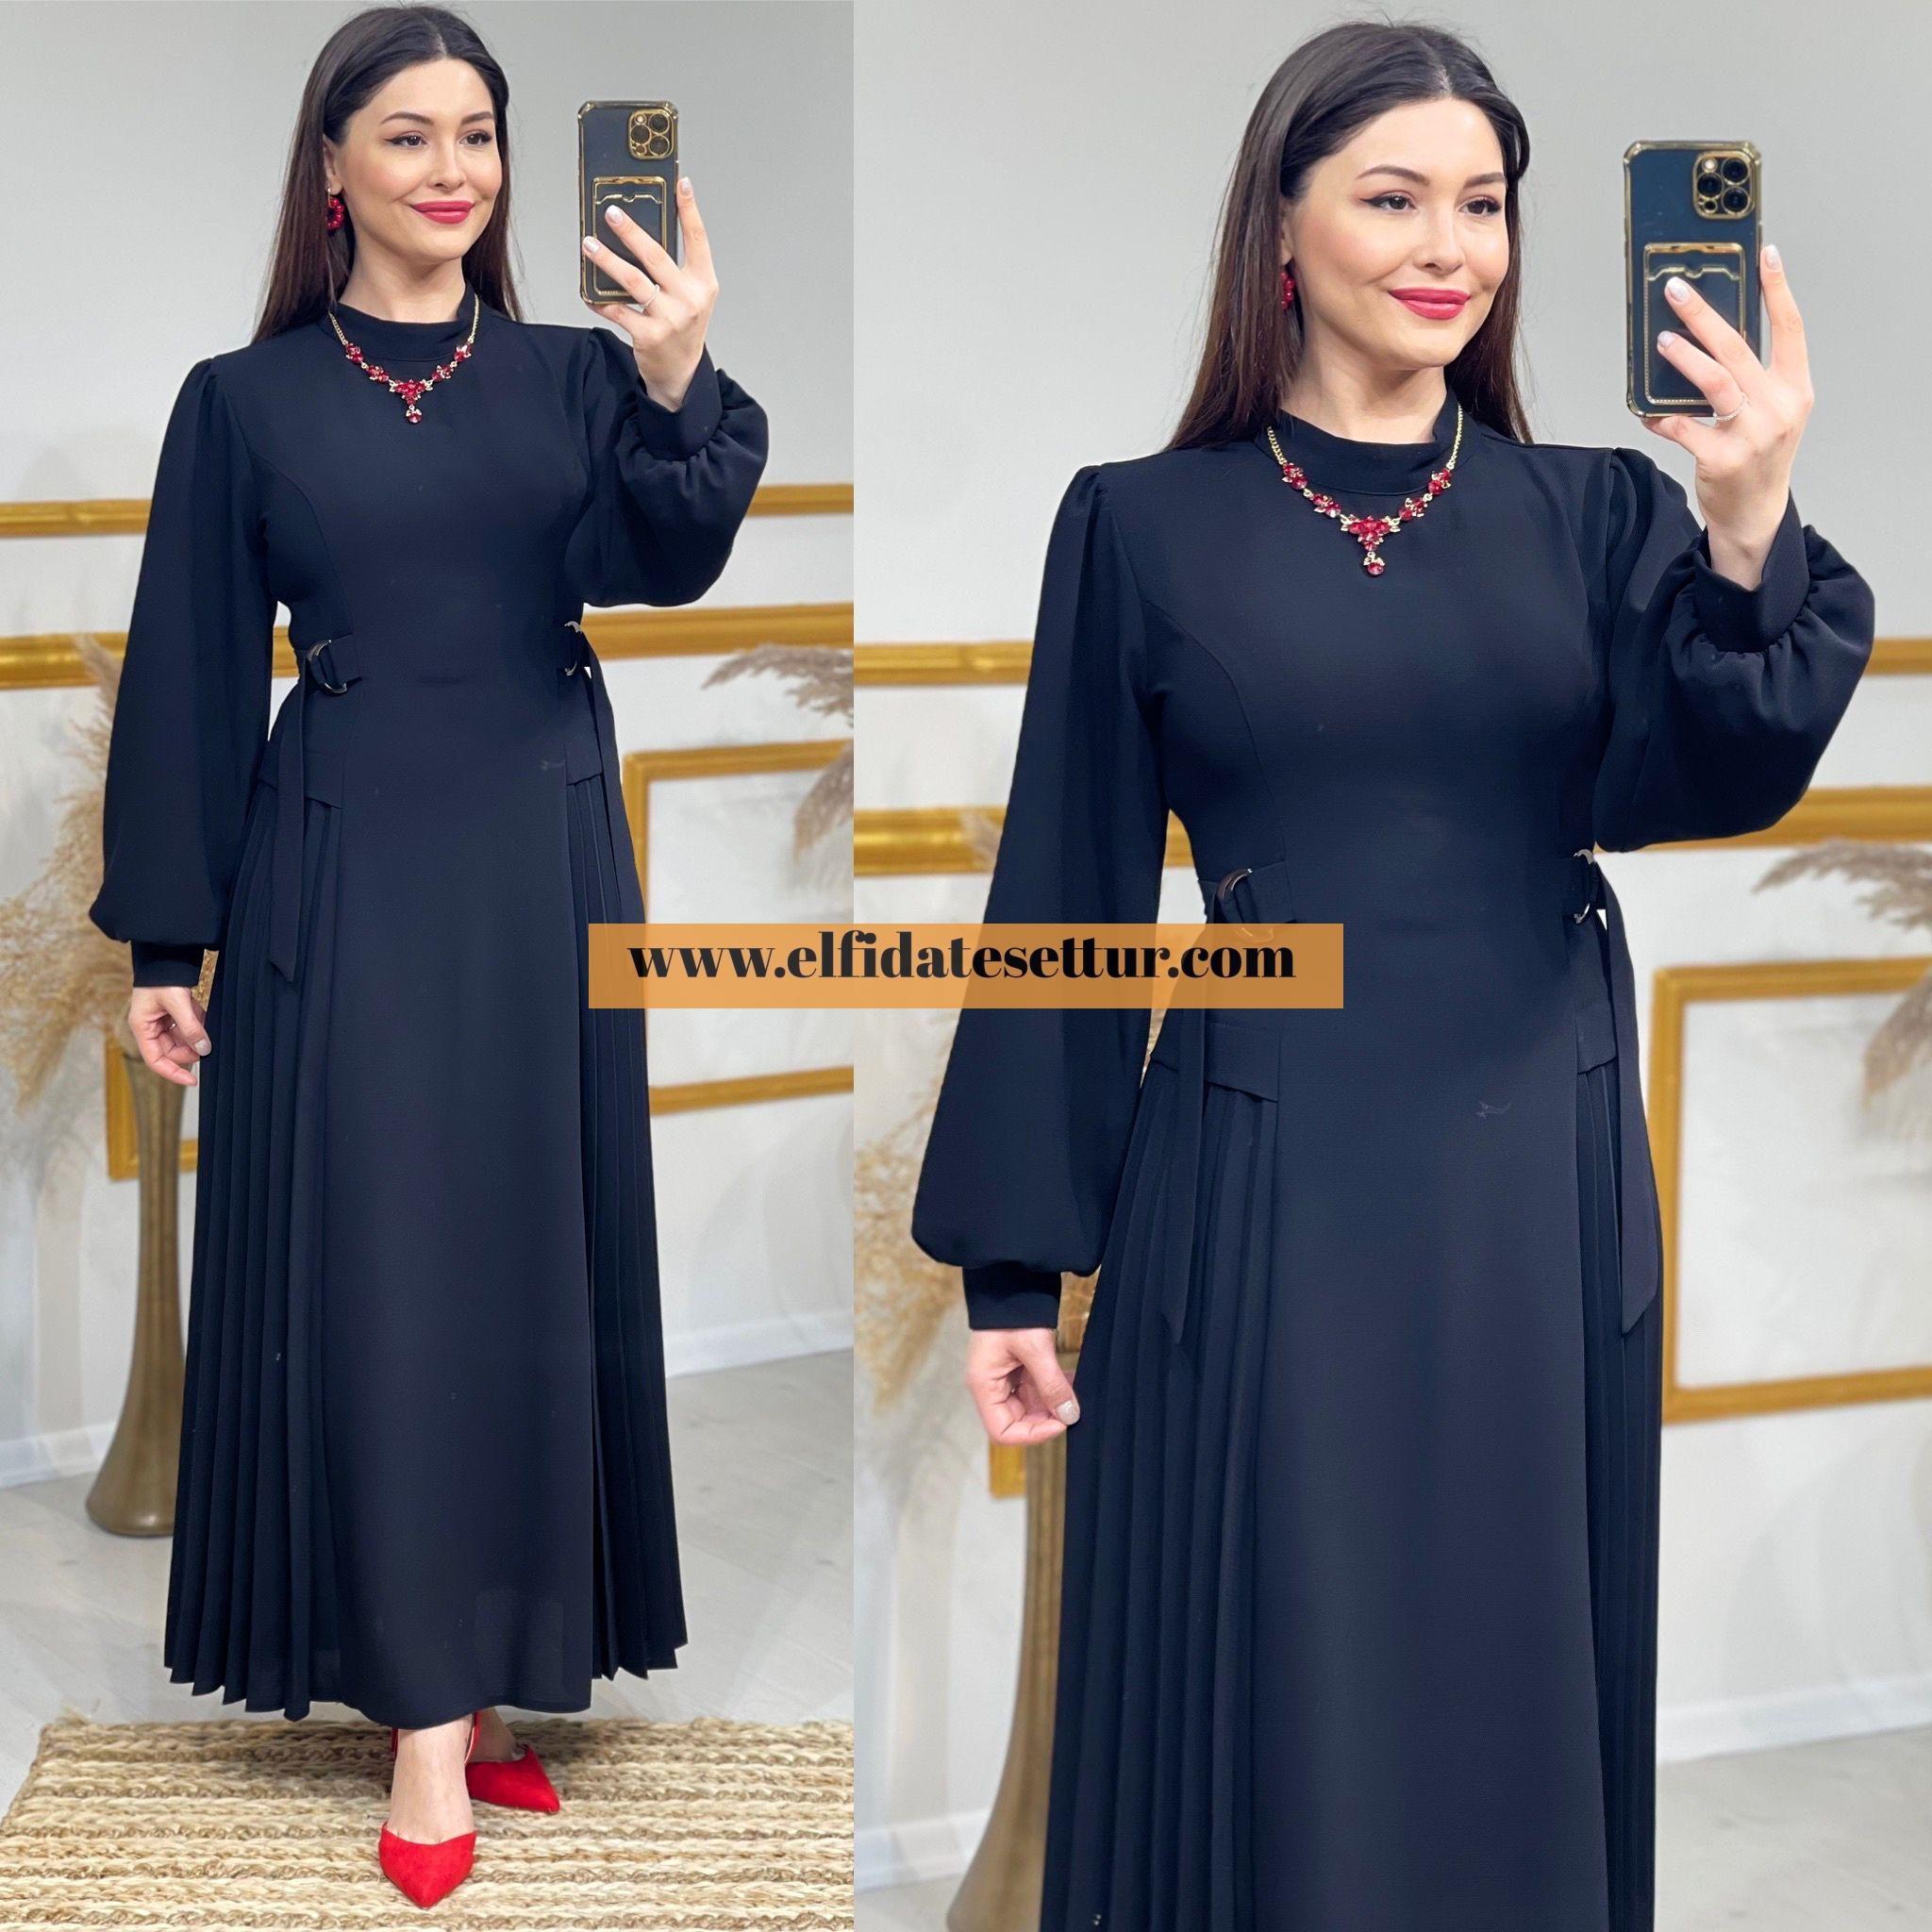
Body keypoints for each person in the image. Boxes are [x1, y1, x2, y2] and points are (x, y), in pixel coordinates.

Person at [909, 21, 1874, 1932]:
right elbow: (1068, 894)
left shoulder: (1602, 510)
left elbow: (1719, 767)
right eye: (1394, 197)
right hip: (1262, 1178)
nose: (1450, 247)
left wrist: (1746, 516)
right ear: (1281, 226)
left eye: (1484, 205)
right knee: (1275, 1673)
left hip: (1532, 1182)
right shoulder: (1142, 521)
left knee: (1503, 1665)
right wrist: (1013, 1268)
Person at [87, 6, 767, 1907]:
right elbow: (195, 671)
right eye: (407, 134)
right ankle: (419, 1719)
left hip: (545, 856)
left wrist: (679, 373)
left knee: (524, 1258)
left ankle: (485, 1670)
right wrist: (166, 936)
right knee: (382, 1264)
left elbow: (667, 558)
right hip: (346, 861)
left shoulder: (579, 370)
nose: (451, 167)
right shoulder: (246, 398)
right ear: (332, 168)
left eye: (477, 132)